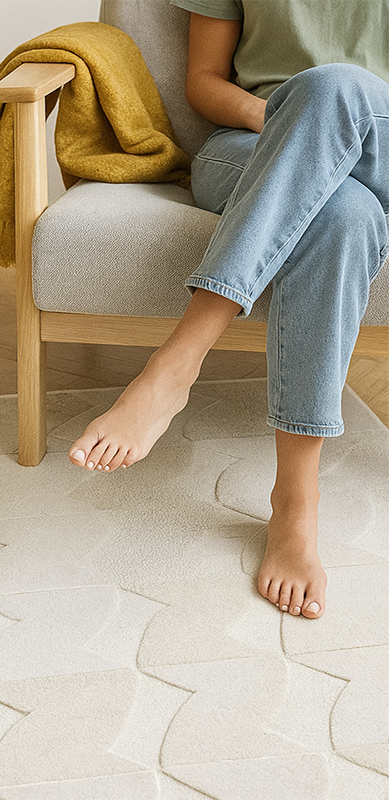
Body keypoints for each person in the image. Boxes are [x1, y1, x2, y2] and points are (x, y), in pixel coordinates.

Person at [68, 0, 389, 620]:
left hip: (380, 144)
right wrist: (294, 122)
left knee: (335, 88)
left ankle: (177, 362)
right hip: (250, 147)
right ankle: (295, 504)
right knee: (340, 214)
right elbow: (204, 82)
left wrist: (326, 111)